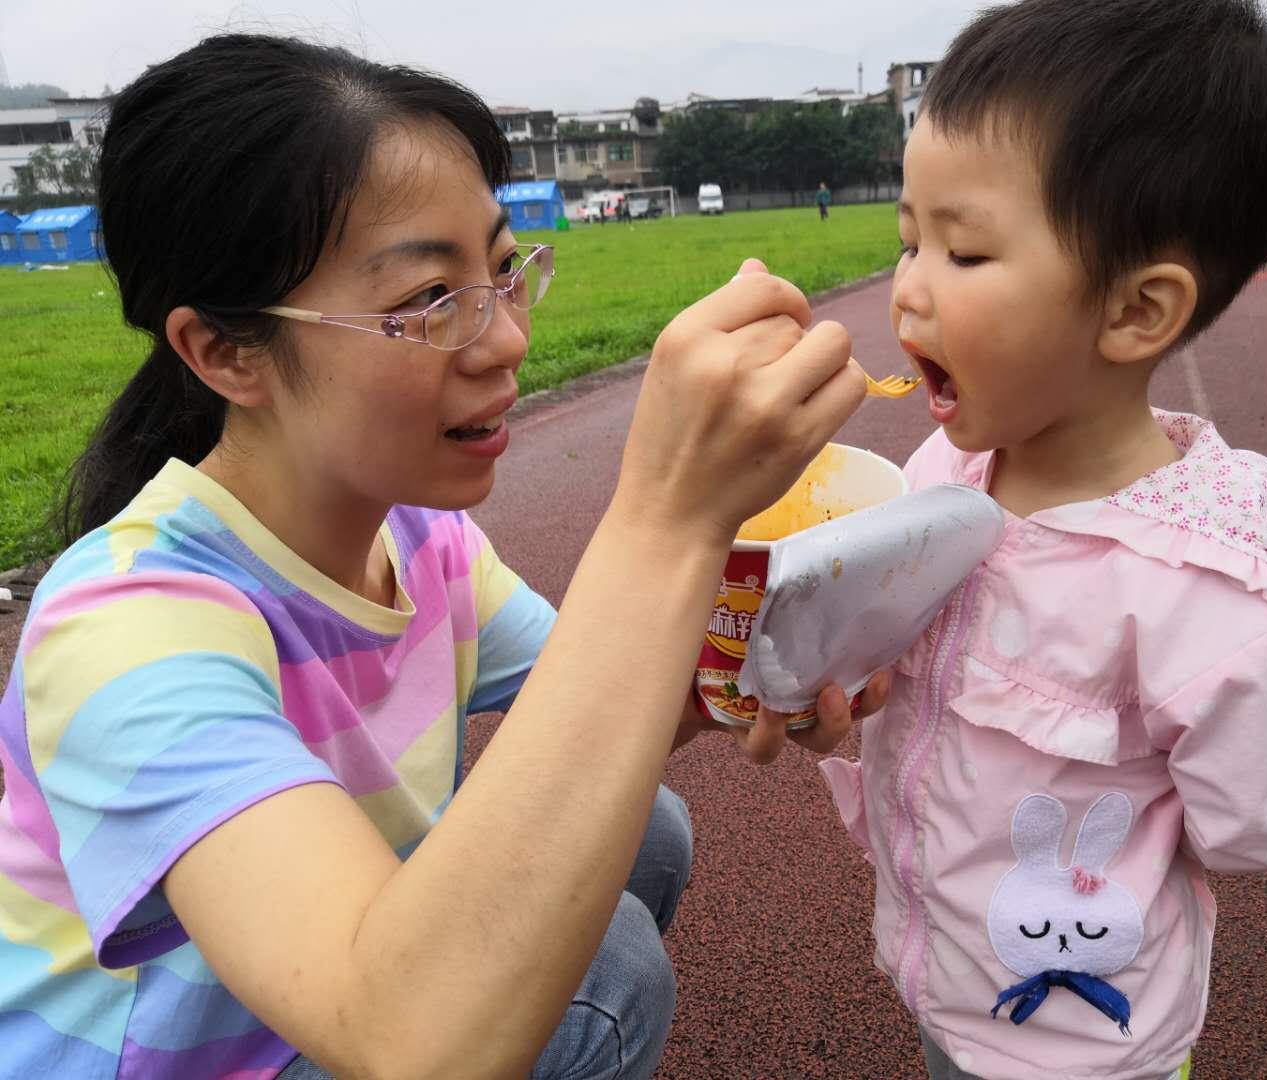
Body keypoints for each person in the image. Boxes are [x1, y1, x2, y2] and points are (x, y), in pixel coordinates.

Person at [0, 34, 882, 1080]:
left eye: (505, 271)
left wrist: (773, 658)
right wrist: (668, 518)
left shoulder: (421, 540)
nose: (506, 338)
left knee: (647, 829)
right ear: (227, 352)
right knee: (611, 970)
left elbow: (606, 695)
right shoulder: (124, 628)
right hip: (206, 1055)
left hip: (334, 989)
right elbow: (408, 1041)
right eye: (430, 301)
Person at [815, 3, 1267, 1078]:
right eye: (908, 239)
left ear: (1136, 313)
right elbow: (888, 660)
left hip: (1090, 1041)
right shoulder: (938, 475)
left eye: (965, 249)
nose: (908, 288)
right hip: (939, 973)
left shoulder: (1210, 600)